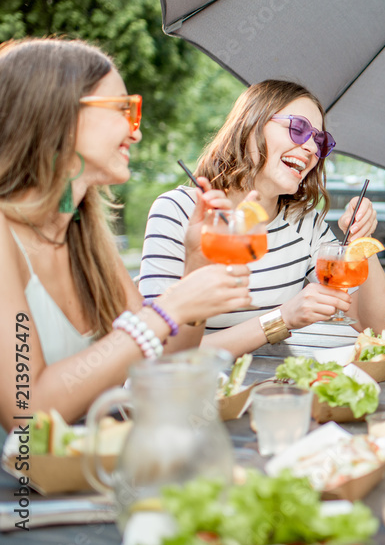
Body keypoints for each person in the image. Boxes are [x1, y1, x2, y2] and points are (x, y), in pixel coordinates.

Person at [0, 38, 251, 431]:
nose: (135, 132)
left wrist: (197, 265)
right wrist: (168, 311)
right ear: (57, 116)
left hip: (90, 475)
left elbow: (163, 362)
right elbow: (26, 414)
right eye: (123, 109)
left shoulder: (84, 234)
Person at [139, 80, 385, 357]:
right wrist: (280, 320)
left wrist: (362, 241)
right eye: (298, 129)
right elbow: (160, 351)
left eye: (319, 140)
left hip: (269, 387)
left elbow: (380, 328)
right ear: (250, 124)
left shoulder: (304, 223)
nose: (311, 148)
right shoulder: (179, 212)